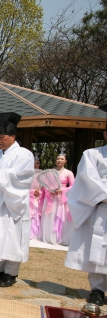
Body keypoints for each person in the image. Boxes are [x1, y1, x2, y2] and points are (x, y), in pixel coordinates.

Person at [0, 112, 34, 287]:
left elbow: (22, 176)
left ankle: (11, 272)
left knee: (11, 236)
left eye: (2, 137)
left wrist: (0, 175)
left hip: (12, 202)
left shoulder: (24, 154)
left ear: (13, 136)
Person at [65, 105, 107, 305]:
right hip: (100, 208)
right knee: (97, 250)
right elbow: (88, 180)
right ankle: (97, 290)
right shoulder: (93, 154)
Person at [41, 150, 75, 246]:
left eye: (62, 159)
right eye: (58, 159)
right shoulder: (51, 172)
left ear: (65, 161)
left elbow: (73, 186)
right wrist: (50, 189)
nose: (59, 160)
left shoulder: (69, 173)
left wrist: (63, 190)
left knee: (60, 217)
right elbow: (45, 184)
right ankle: (50, 236)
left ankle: (60, 237)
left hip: (62, 198)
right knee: (51, 216)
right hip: (52, 197)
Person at [30, 154, 44, 241]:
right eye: (34, 163)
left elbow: (45, 188)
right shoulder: (28, 173)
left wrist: (39, 192)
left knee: (36, 215)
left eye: (37, 163)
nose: (36, 165)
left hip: (38, 197)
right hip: (29, 196)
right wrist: (31, 192)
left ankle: (35, 233)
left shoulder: (42, 174)